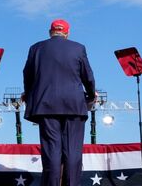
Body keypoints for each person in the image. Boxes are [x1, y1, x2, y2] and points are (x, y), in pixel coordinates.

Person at [22, 19, 96, 186]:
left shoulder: (36, 48)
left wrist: (29, 94)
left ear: (50, 32)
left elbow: (27, 75)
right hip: (74, 106)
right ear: (67, 33)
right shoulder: (78, 48)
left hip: (46, 105)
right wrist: (91, 94)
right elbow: (88, 76)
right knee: (73, 152)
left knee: (52, 152)